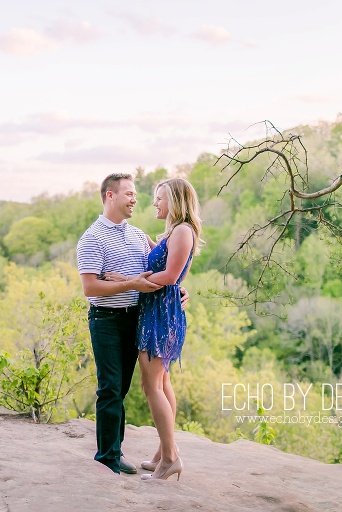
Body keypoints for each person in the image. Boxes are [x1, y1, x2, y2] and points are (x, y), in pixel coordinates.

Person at [76, 173, 188, 475]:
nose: (135, 200)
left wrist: (177, 291)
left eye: (135, 194)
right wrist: (130, 285)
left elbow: (163, 269)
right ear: (110, 196)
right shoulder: (92, 238)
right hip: (107, 320)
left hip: (137, 319)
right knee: (110, 388)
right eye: (129, 194)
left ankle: (122, 449)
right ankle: (108, 457)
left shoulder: (138, 235)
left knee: (123, 388)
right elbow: (90, 287)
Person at [106, 178, 203, 481]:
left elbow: (171, 276)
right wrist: (148, 243)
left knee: (152, 387)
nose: (155, 204)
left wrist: (127, 281)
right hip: (158, 311)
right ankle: (164, 453)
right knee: (162, 383)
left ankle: (170, 458)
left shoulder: (183, 230)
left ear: (175, 200)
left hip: (161, 316)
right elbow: (165, 264)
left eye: (160, 198)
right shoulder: (174, 233)